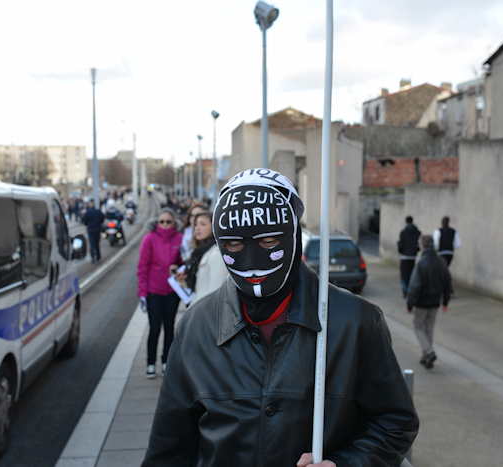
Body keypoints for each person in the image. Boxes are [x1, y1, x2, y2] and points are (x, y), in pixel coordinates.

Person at [142, 168, 418, 467]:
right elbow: (168, 449)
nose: (251, 262)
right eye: (234, 244)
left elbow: (395, 421)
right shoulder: (197, 327)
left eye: (269, 242)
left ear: (294, 237)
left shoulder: (356, 321)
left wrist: (347, 463)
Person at [137, 208, 183, 379]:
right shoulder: (149, 239)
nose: (164, 225)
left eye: (168, 222)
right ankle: (150, 363)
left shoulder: (179, 239)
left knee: (170, 327)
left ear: (174, 223)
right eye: (161, 222)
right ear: (157, 223)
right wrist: (142, 292)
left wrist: (178, 268)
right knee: (155, 328)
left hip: (172, 291)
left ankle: (166, 361)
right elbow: (142, 267)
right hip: (153, 292)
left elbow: (184, 262)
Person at [406, 235, 453, 369]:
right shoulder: (441, 262)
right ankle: (426, 357)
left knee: (418, 326)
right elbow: (447, 282)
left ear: (422, 246)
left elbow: (414, 286)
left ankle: (429, 351)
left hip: (422, 302)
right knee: (429, 328)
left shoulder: (421, 264)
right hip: (435, 302)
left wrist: (410, 303)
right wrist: (445, 301)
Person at [181, 211, 228, 305]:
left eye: (203, 224)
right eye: (195, 224)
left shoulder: (217, 253)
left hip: (208, 311)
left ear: (214, 226)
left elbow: (216, 292)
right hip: (198, 306)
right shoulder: (199, 252)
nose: (197, 228)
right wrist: (183, 282)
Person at [397, 215, 421, 298]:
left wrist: (400, 249)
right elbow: (418, 245)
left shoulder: (403, 232)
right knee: (411, 275)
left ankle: (405, 292)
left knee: (404, 275)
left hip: (404, 257)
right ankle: (411, 291)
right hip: (413, 257)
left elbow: (400, 246)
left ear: (406, 222)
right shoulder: (417, 232)